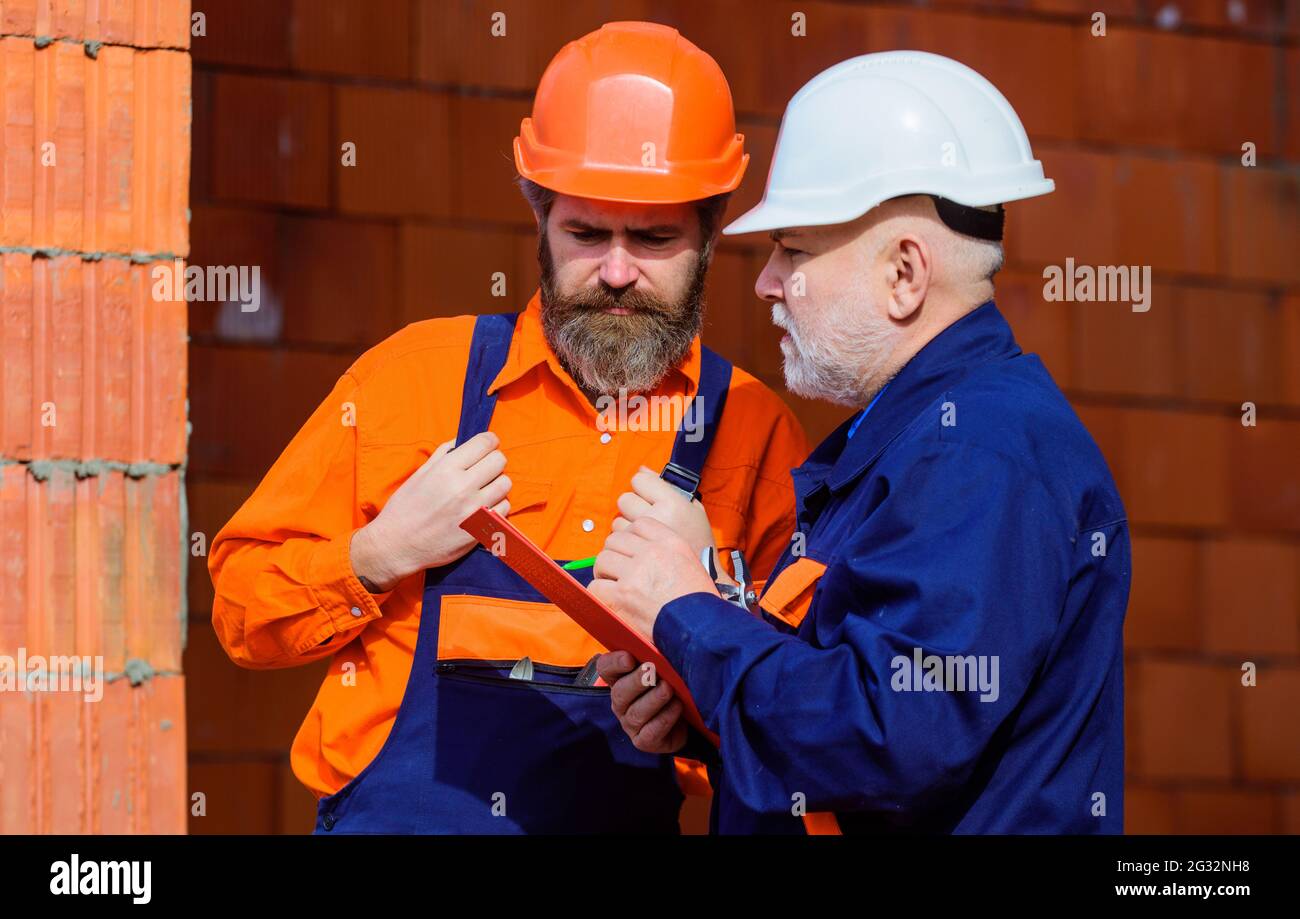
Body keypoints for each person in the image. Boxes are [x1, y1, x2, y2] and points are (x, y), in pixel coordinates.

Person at [208, 21, 808, 834]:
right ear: (540, 221)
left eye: (655, 238)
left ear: (708, 236)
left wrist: (691, 722)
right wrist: (376, 556)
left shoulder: (752, 431)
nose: (618, 270)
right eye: (586, 235)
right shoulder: (416, 379)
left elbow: (800, 721)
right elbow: (243, 613)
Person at [590, 51, 1130, 834]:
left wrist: (686, 608)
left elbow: (891, 736)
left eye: (796, 252)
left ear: (905, 274)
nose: (766, 283)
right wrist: (702, 706)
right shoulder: (917, 442)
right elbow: (846, 716)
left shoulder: (979, 455)